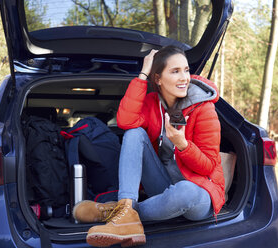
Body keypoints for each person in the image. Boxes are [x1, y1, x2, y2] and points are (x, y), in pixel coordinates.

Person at [73, 45, 225, 247]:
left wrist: (183, 145)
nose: (184, 77)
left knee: (184, 191)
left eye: (186, 70)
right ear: (158, 79)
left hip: (199, 193)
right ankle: (126, 209)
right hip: (162, 187)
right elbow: (126, 121)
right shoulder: (152, 103)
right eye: (175, 71)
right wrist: (143, 74)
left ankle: (116, 213)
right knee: (135, 133)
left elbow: (208, 166)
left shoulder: (204, 109)